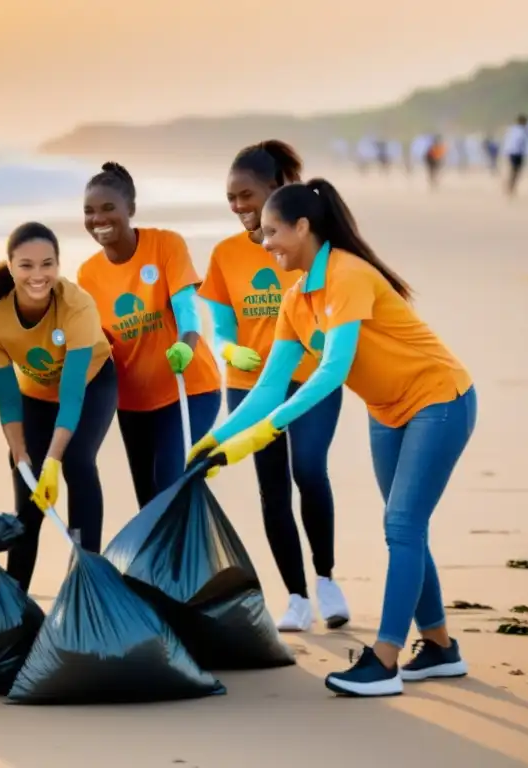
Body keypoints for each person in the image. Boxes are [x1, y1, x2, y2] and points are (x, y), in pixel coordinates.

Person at [188, 179, 476, 698]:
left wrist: (269, 429)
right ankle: (439, 648)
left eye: (273, 231)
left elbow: (331, 370)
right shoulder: (295, 298)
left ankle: (385, 662)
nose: (266, 241)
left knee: (402, 523)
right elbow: (269, 385)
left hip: (439, 399)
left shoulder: (347, 274)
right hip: (388, 410)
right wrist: (215, 440)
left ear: (303, 228)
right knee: (406, 524)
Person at [198, 141, 348, 633]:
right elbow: (220, 324)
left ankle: (326, 578)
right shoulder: (224, 255)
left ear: (276, 189)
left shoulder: (307, 242)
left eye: (248, 195)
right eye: (232, 199)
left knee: (308, 468)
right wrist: (227, 350)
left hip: (311, 377)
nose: (240, 207)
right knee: (272, 488)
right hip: (249, 383)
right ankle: (297, 596)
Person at [0, 222, 117, 593]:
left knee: (77, 461)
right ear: (9, 266)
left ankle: (86, 581)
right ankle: (16, 593)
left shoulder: (77, 305)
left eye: (47, 264)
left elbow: (71, 394)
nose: (38, 275)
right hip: (34, 394)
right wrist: (20, 452)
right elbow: (6, 398)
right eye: (26, 265)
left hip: (91, 383)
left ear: (58, 264)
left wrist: (53, 460)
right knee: (26, 483)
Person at [77, 162, 221, 508]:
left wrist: (187, 344)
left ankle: (194, 559)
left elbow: (187, 308)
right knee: (149, 502)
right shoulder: (88, 274)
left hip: (189, 388)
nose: (99, 219)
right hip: (133, 403)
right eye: (89, 211)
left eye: (109, 208)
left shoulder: (165, 245)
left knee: (170, 483)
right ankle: (168, 563)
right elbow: (98, 345)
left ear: (131, 209)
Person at [502, 115, 528, 197]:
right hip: (517, 153)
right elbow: (520, 142)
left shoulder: (512, 129)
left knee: (514, 170)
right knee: (516, 170)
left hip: (511, 152)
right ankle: (511, 185)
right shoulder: (522, 131)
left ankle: (510, 185)